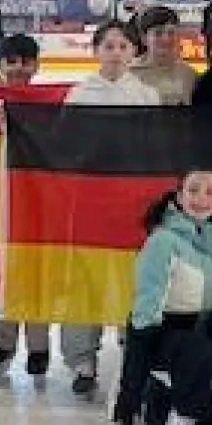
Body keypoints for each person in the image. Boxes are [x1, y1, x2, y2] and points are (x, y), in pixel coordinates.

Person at [60, 21, 161, 397]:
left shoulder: (147, 96)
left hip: (133, 202)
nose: (116, 52)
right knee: (86, 276)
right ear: (96, 51)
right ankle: (81, 359)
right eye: (109, 46)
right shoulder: (80, 95)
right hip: (89, 201)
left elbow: (156, 149)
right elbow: (64, 144)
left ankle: (131, 342)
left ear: (134, 52)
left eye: (123, 46)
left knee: (133, 275)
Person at [110, 170, 212, 425]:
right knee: (199, 349)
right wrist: (130, 389)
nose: (201, 199)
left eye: (209, 192)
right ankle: (182, 416)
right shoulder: (163, 241)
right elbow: (144, 313)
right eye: (194, 190)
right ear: (179, 197)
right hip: (164, 334)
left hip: (201, 334)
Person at [0, 33, 51, 378]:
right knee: (3, 270)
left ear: (37, 66)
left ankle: (39, 346)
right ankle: (3, 342)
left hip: (36, 197)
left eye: (26, 62)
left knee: (35, 268)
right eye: (12, 61)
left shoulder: (47, 101)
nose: (19, 68)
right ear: (1, 64)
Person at [129, 6, 199, 105]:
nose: (166, 39)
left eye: (171, 33)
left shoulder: (189, 74)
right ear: (144, 38)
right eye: (158, 33)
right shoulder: (128, 73)